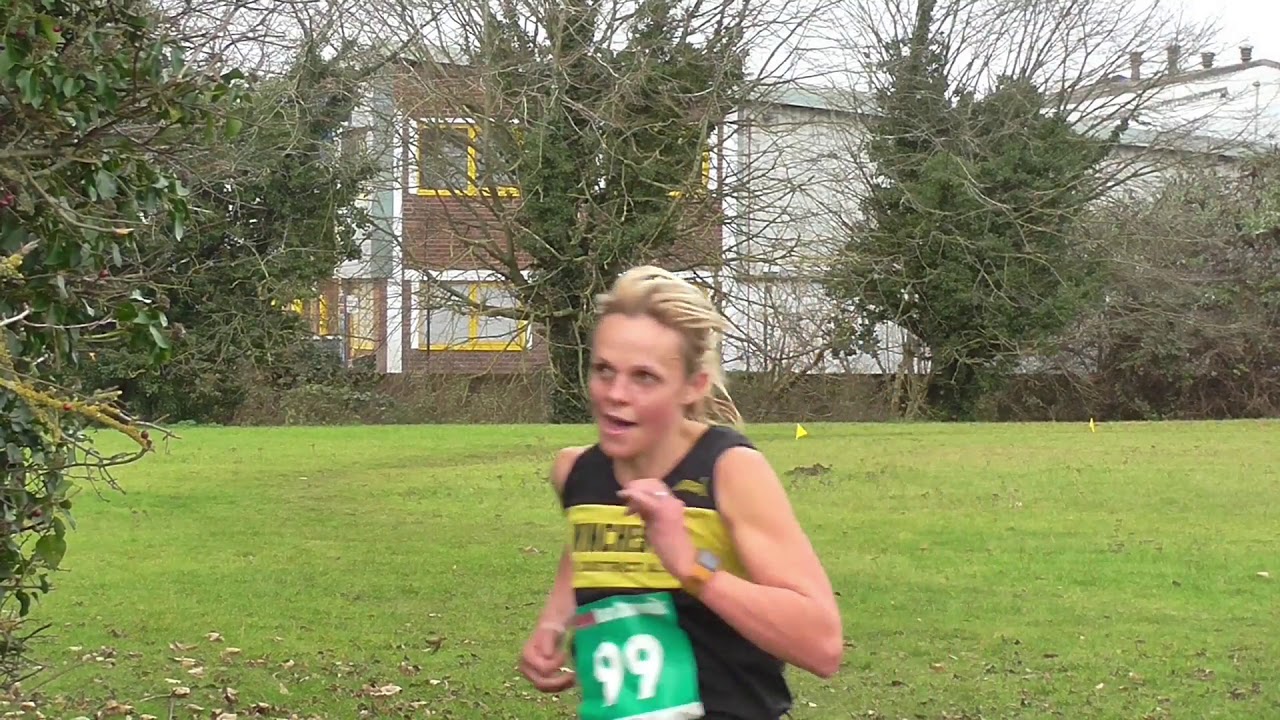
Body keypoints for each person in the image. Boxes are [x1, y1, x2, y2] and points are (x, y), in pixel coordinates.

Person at [518, 266, 843, 720]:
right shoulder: (575, 472)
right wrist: (554, 621)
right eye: (604, 370)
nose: (615, 394)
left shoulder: (729, 470)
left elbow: (822, 644)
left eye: (644, 377)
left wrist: (695, 566)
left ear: (693, 387)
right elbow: (584, 544)